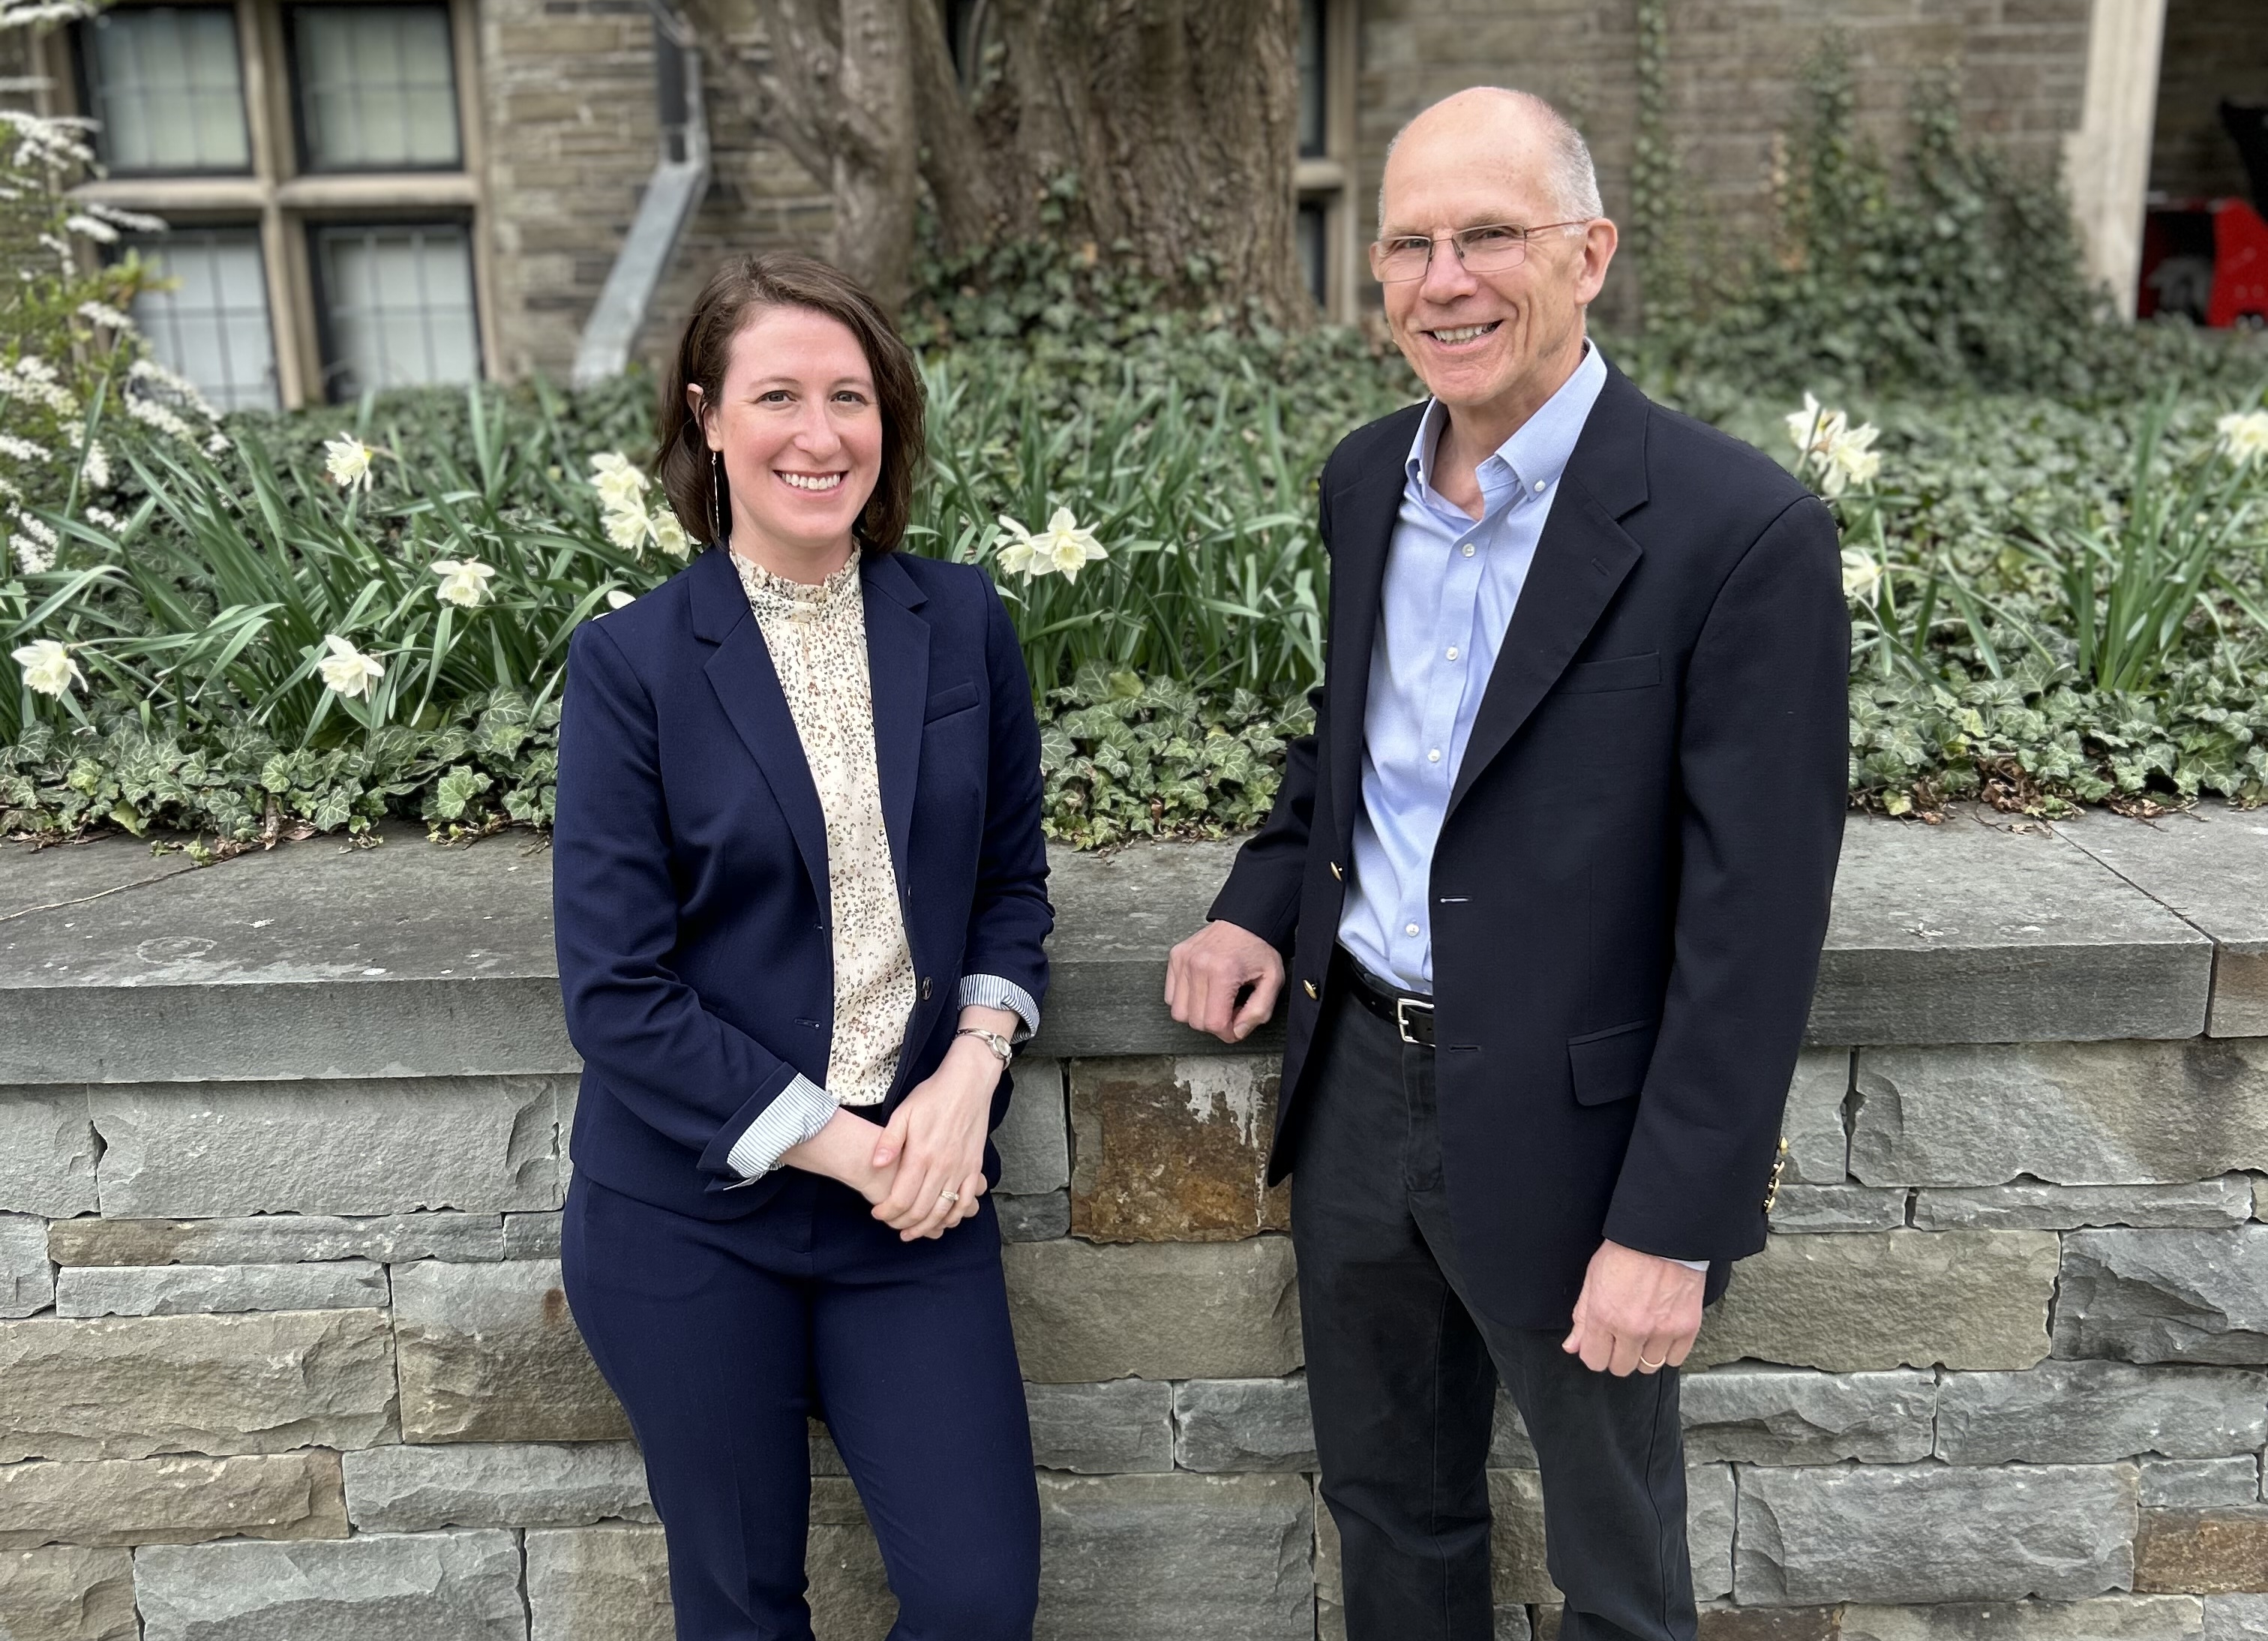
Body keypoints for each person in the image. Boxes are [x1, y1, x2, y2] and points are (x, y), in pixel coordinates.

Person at [1165, 88, 1848, 1641]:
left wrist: (1673, 1223)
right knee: (1393, 1508)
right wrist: (1260, 897)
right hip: (1353, 1099)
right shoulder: (1365, 480)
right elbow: (1353, 739)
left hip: (1578, 1141)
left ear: (1591, 253)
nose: (1444, 277)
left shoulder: (1741, 533)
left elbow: (1756, 922)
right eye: (1409, 243)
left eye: (1490, 234)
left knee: (1616, 1568)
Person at [552, 252, 1052, 1641]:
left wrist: (968, 1075)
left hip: (916, 1208)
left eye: (852, 396)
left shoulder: (961, 624)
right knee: (744, 1607)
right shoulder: (632, 666)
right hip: (691, 1218)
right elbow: (617, 993)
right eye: (779, 396)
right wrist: (847, 1142)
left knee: (976, 1601)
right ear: (709, 418)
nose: (818, 435)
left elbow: (1012, 886)